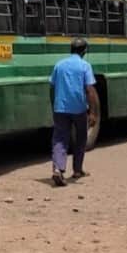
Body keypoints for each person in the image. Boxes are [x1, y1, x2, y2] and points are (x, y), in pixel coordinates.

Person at [48, 38, 99, 187]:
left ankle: (58, 169)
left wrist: (54, 105)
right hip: (79, 109)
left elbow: (52, 87)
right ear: (84, 51)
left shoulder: (59, 65)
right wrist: (93, 112)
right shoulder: (85, 66)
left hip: (60, 108)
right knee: (81, 137)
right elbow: (90, 90)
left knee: (59, 139)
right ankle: (77, 170)